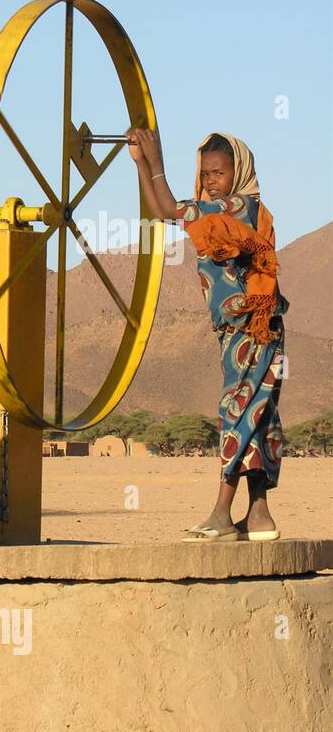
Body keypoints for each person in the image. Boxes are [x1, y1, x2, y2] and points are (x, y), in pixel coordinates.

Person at [127, 129, 287, 542]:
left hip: (253, 328)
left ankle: (220, 513)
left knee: (237, 408)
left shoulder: (238, 207)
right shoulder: (218, 211)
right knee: (259, 412)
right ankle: (259, 515)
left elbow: (170, 209)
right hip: (245, 330)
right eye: (206, 173)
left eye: (219, 172)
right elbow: (163, 213)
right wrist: (141, 164)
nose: (211, 179)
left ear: (239, 172)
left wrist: (155, 161)